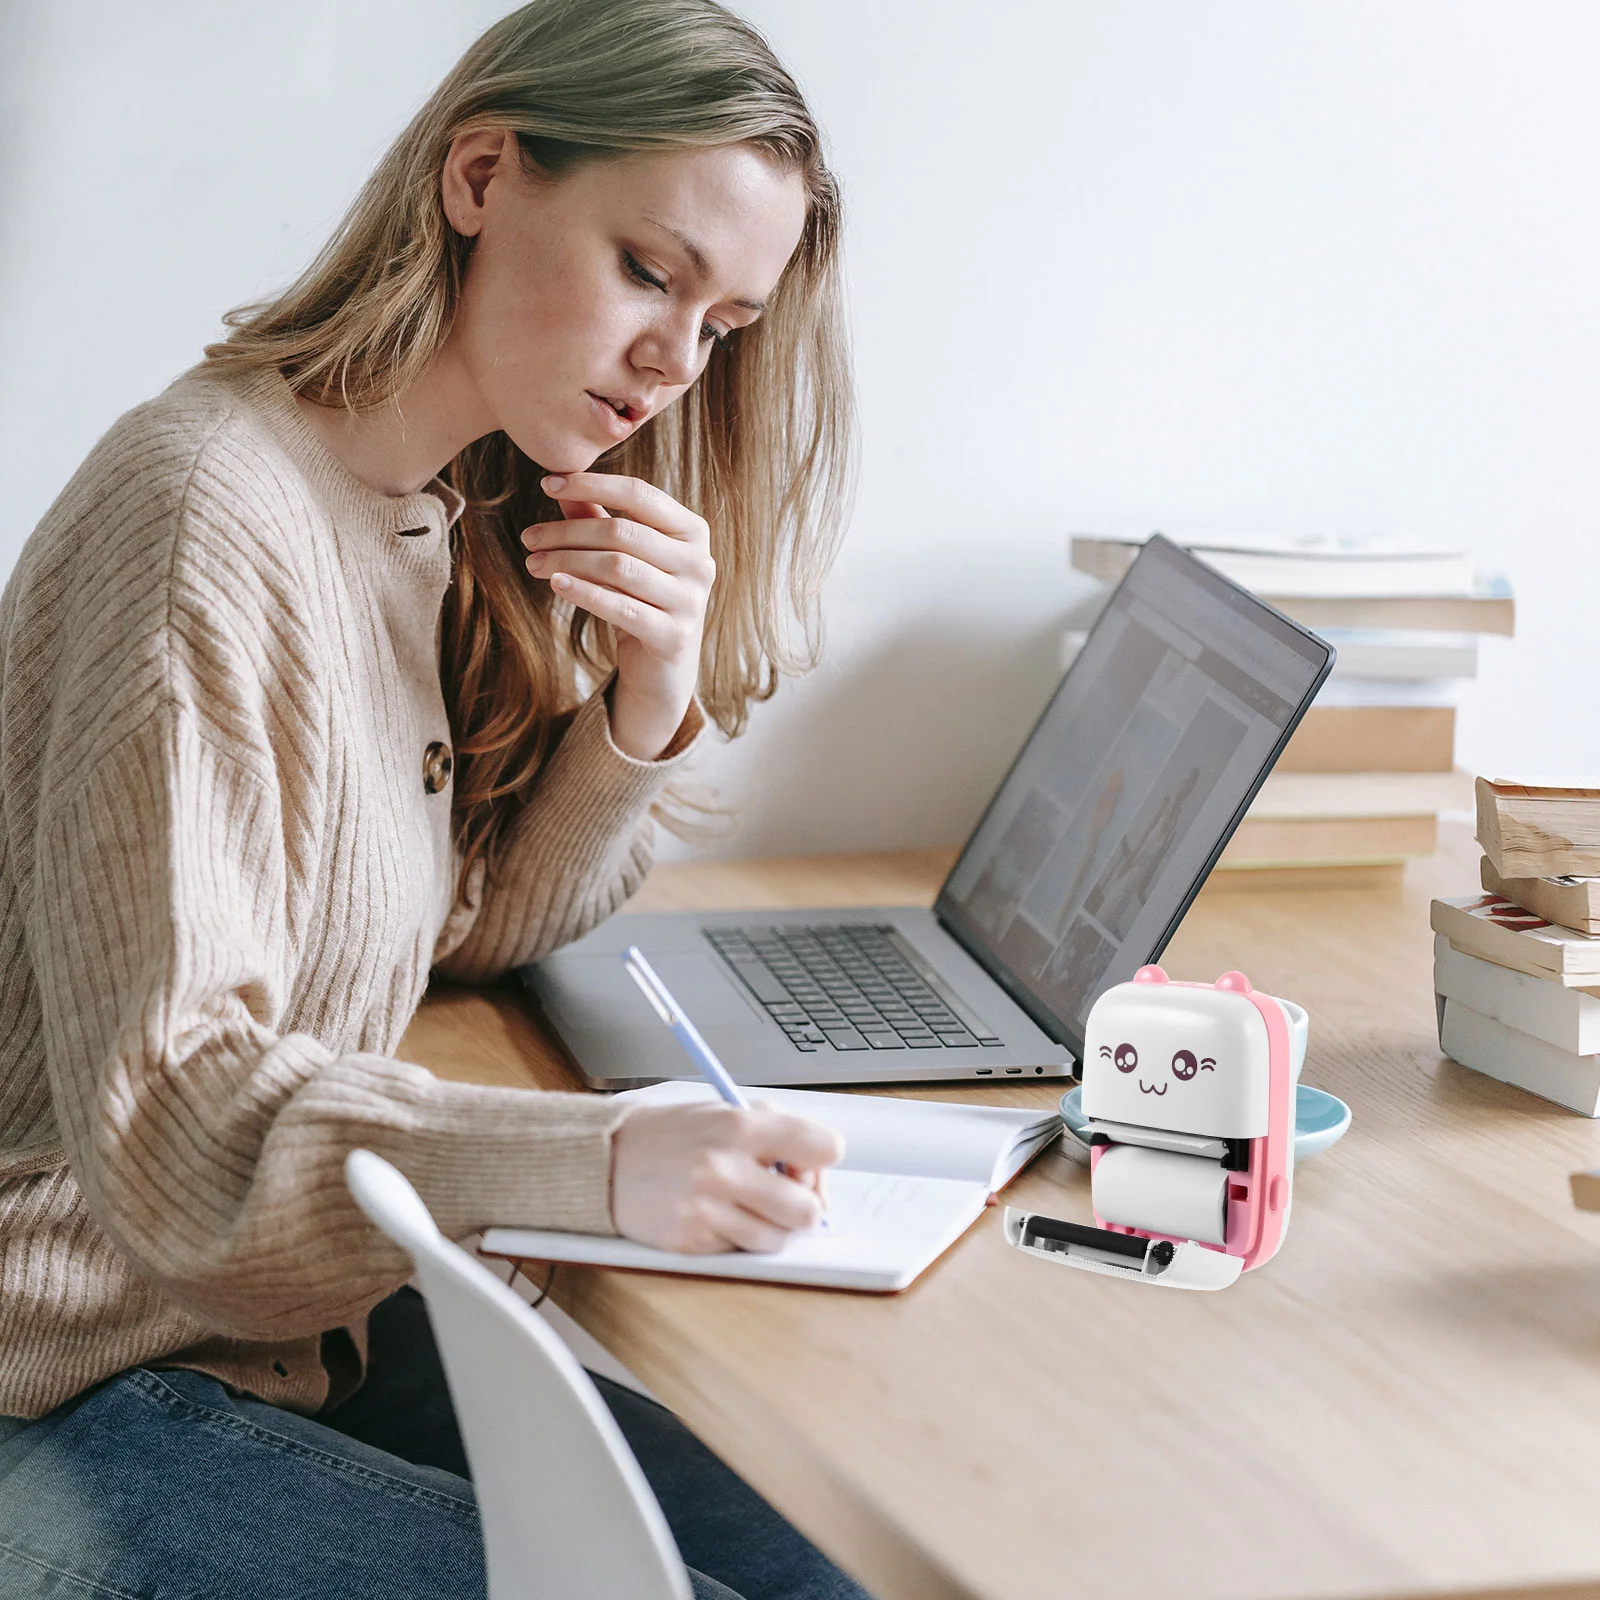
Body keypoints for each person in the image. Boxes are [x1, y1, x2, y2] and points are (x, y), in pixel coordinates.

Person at [0, 1, 868, 1595]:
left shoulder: (419, 514)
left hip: (273, 1332)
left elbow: (462, 936)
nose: (676, 360)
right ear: (480, 175)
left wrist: (644, 703)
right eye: (648, 270)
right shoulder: (206, 512)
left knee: (833, 1577)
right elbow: (174, 1116)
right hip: (57, 1376)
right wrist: (592, 1162)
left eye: (727, 321)